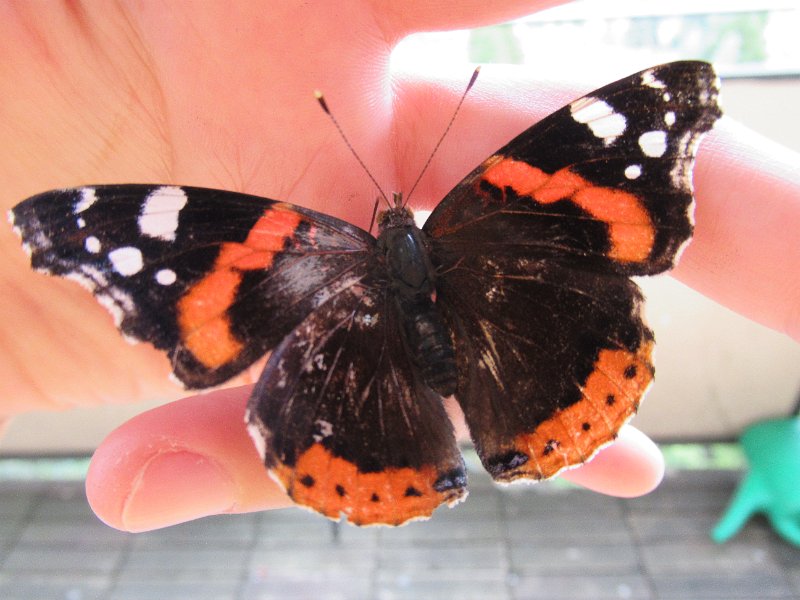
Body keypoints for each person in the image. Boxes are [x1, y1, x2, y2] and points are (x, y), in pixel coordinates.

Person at [1, 1, 797, 532]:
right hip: (533, 325)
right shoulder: (501, 200)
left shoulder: (286, 243)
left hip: (363, 358)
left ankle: (433, 462)